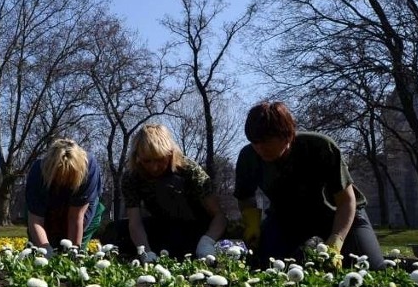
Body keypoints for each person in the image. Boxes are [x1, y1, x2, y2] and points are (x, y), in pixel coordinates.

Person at [234, 101, 385, 269]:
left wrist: (336, 241)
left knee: (369, 267)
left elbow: (346, 201)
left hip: (336, 214)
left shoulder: (320, 147)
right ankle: (302, 254)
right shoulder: (249, 157)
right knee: (263, 265)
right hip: (286, 218)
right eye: (255, 142)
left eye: (267, 140)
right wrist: (252, 223)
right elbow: (245, 196)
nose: (260, 148)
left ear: (287, 135)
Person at [103, 124, 226, 261]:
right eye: (147, 161)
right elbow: (135, 222)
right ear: (137, 157)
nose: (154, 168)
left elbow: (219, 216)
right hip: (162, 224)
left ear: (170, 153)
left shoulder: (189, 170)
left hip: (195, 226)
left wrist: (207, 242)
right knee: (116, 230)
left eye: (160, 160)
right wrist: (145, 251)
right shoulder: (131, 177)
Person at [25, 138, 105, 254]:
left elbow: (76, 217)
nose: (63, 181)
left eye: (69, 176)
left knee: (73, 250)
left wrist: (74, 251)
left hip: (82, 211)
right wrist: (46, 250)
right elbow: (36, 220)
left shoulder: (89, 168)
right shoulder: (37, 173)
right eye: (59, 176)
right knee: (41, 249)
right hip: (49, 207)